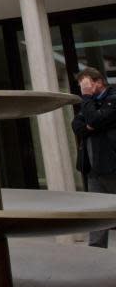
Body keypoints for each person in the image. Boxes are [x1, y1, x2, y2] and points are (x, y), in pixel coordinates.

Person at [71, 67, 116, 248]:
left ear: (99, 82)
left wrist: (88, 100)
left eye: (87, 84)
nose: (84, 89)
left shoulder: (113, 98)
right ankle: (96, 253)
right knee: (97, 215)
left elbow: (95, 120)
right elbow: (77, 125)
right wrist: (91, 123)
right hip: (93, 169)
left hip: (112, 166)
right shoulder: (90, 104)